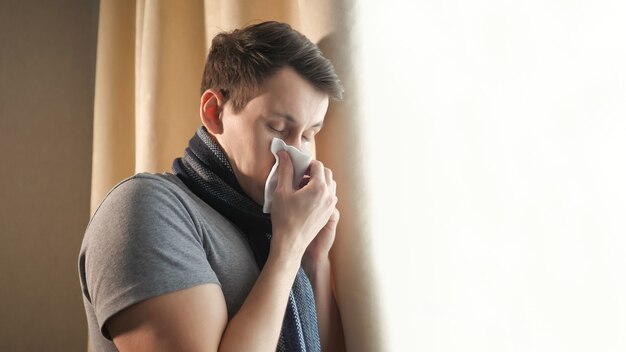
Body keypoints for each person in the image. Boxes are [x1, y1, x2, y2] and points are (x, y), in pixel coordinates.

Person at [78, 21, 345, 351]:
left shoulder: (273, 227)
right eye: (278, 128)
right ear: (214, 112)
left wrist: (313, 258)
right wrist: (288, 249)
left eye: (309, 135)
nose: (297, 153)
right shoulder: (146, 208)